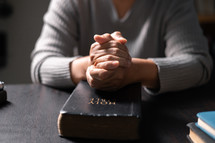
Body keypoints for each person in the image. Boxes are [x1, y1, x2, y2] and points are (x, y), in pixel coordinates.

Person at [31, 0, 213, 95]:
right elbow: (41, 63)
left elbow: (199, 64)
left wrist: (133, 71)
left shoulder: (173, 2)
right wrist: (91, 65)